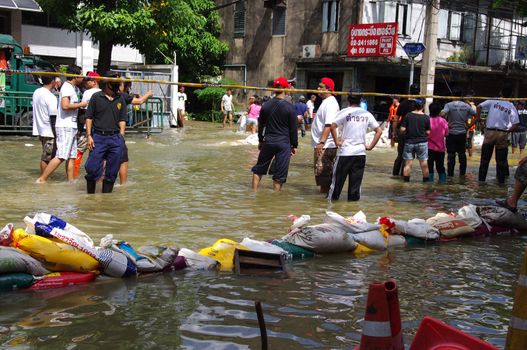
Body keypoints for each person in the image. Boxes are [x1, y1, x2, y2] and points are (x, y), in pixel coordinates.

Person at [36, 65, 87, 183]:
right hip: (65, 126)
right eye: (80, 74)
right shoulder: (67, 87)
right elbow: (65, 106)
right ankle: (42, 179)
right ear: (75, 75)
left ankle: (70, 181)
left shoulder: (71, 88)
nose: (82, 77)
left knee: (72, 155)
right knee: (62, 155)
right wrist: (81, 104)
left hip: (71, 126)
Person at [328, 91, 382, 201]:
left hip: (345, 153)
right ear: (361, 100)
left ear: (348, 100)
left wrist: (337, 142)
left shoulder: (345, 112)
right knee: (355, 189)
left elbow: (332, 126)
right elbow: (379, 131)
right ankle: (352, 212)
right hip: (360, 154)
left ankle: (331, 208)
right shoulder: (366, 114)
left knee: (336, 187)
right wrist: (370, 146)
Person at [251, 77, 298, 192]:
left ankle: (253, 192)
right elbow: (293, 129)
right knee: (279, 174)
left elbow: (261, 125)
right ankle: (275, 198)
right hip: (283, 143)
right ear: (285, 88)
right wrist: (294, 145)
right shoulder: (290, 107)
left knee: (259, 169)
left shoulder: (265, 106)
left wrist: (261, 140)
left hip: (268, 141)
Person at [84, 72, 127, 194]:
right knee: (91, 168)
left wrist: (121, 137)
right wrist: (89, 136)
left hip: (115, 138)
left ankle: (106, 201)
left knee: (112, 171)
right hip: (98, 137)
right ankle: (90, 197)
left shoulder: (120, 99)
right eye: (114, 82)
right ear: (107, 83)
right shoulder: (96, 97)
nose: (117, 85)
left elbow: (122, 119)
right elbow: (89, 117)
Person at [476, 87, 519, 184]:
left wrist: (479, 121)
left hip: (489, 133)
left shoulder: (493, 101)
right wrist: (507, 131)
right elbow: (516, 124)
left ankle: (481, 182)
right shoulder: (511, 106)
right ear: (511, 95)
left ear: (500, 93)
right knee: (501, 162)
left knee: (484, 160)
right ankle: (501, 185)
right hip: (502, 133)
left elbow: (479, 107)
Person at [117, 81, 153, 185]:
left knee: (105, 159)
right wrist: (148, 94)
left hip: (103, 133)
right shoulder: (121, 96)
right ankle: (123, 185)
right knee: (123, 159)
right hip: (117, 132)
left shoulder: (100, 95)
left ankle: (100, 182)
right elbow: (140, 101)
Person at [312, 77, 340, 194]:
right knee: (321, 174)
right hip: (322, 144)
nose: (318, 89)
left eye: (321, 87)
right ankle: (323, 198)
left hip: (326, 145)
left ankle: (325, 200)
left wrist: (321, 142)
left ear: (328, 89)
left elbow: (329, 125)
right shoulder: (326, 102)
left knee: (323, 174)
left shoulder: (331, 104)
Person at [440, 90, 475, 177]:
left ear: (452, 96)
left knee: (451, 154)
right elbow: (477, 114)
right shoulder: (466, 106)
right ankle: (462, 175)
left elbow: (442, 114)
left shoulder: (449, 105)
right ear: (461, 96)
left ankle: (450, 175)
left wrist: (445, 123)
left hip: (451, 133)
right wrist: (469, 125)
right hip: (462, 133)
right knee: (462, 154)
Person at [74, 71, 101, 179]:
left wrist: (79, 128)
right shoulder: (103, 93)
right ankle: (96, 176)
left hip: (87, 130)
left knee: (78, 152)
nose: (85, 82)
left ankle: (74, 177)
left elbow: (84, 113)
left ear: (94, 82)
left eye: (88, 80)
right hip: (99, 129)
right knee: (96, 154)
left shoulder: (87, 93)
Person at [32, 74, 58, 175]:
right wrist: (56, 133)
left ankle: (45, 177)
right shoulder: (50, 96)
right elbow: (53, 116)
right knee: (47, 157)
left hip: (40, 128)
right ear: (53, 82)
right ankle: (44, 178)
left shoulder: (37, 91)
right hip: (49, 130)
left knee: (47, 154)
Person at [400, 98, 431, 182]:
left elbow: (402, 129)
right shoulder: (426, 117)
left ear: (414, 105)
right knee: (424, 164)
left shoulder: (408, 115)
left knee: (408, 164)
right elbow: (428, 132)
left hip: (409, 142)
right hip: (422, 143)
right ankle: (426, 184)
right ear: (424, 106)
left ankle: (406, 183)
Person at [392, 84, 419, 176]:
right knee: (409, 157)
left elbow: (396, 119)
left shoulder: (403, 103)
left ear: (409, 91)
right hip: (414, 133)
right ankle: (404, 177)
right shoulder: (420, 105)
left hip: (402, 131)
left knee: (400, 155)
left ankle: (395, 175)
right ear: (419, 92)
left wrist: (394, 132)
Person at [427, 101, 449, 183]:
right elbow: (447, 134)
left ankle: (429, 183)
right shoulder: (443, 121)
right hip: (441, 148)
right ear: (439, 111)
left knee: (429, 166)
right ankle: (442, 183)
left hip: (429, 148)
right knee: (440, 166)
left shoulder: (427, 120)